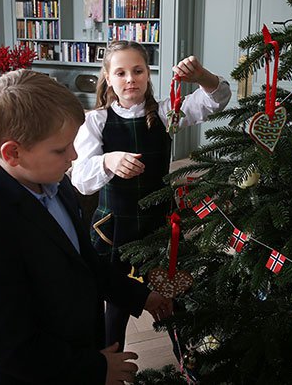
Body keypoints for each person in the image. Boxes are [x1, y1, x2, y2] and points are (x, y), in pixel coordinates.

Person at [0, 69, 173, 384]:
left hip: (77, 350)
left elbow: (85, 263)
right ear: (12, 153)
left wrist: (141, 297)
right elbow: (12, 347)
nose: (73, 156)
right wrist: (96, 369)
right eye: (60, 149)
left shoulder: (54, 184)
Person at [71, 40, 231, 351]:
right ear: (108, 77)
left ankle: (189, 361)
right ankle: (110, 369)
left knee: (176, 294)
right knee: (117, 304)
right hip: (114, 230)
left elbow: (217, 99)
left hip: (160, 225)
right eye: (121, 72)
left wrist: (202, 76)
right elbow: (81, 179)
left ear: (147, 74)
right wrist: (108, 161)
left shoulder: (166, 112)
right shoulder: (96, 122)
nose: (130, 79)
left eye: (138, 71)